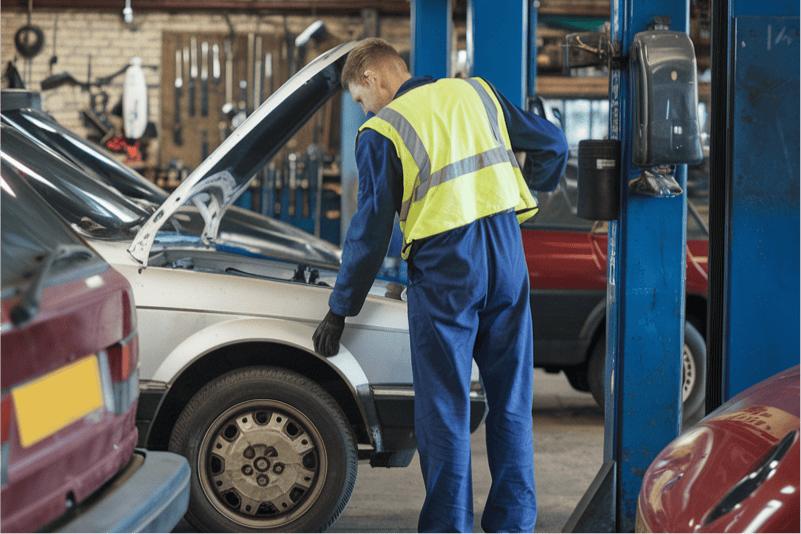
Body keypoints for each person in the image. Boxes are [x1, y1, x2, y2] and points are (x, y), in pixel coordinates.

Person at [313, 38, 568, 533]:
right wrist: (537, 181)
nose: (364, 109)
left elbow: (369, 231)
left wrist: (340, 309)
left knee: (444, 409)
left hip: (447, 268)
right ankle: (513, 525)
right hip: (507, 255)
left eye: (360, 101)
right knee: (511, 401)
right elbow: (554, 144)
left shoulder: (383, 130)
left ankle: (448, 528)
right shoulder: (476, 94)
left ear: (371, 78)